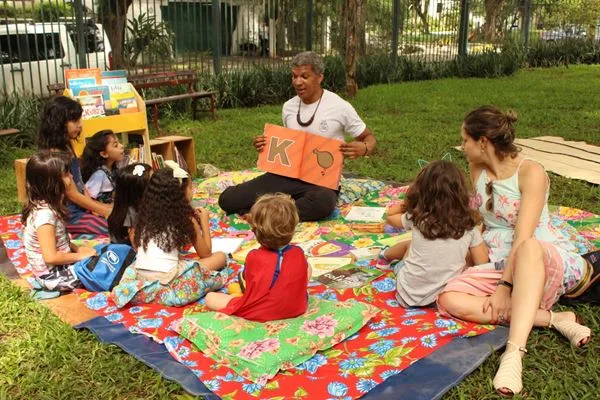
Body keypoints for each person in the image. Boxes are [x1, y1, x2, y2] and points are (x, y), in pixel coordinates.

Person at [437, 106, 592, 396]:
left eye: (465, 140)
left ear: (483, 142)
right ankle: (552, 319)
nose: (462, 146)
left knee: (528, 248)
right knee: (448, 298)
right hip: (497, 256)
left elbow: (523, 236)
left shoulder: (530, 172)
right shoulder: (478, 169)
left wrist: (505, 287)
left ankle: (513, 354)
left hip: (537, 256)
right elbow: (481, 220)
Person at [218, 51, 376, 222]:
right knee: (228, 200)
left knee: (322, 204)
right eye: (294, 76)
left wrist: (365, 148)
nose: (297, 82)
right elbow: (288, 146)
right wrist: (264, 144)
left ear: (319, 77)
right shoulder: (289, 107)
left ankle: (268, 212)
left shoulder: (340, 107)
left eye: (304, 76)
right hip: (286, 176)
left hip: (321, 181)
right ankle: (281, 210)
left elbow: (369, 138)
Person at [111, 162, 227, 307]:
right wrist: (204, 221)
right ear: (180, 194)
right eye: (190, 187)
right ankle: (166, 291)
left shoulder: (144, 213)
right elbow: (205, 253)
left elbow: (136, 243)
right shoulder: (186, 218)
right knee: (221, 257)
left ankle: (149, 290)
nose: (193, 190)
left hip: (140, 273)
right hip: (169, 277)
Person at [377, 160, 489, 307]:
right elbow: (482, 263)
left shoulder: (417, 218)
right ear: (461, 192)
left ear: (421, 191)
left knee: (409, 246)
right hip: (441, 298)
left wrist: (408, 203)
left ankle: (385, 256)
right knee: (465, 258)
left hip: (407, 293)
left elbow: (390, 216)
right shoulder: (469, 226)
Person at [205, 193, 310, 322]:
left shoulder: (255, 257)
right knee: (307, 267)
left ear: (255, 231)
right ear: (293, 227)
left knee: (210, 297)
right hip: (296, 308)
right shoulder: (299, 253)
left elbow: (250, 286)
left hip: (262, 311)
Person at [22, 151, 96, 292]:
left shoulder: (50, 206)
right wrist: (80, 256)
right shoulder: (45, 216)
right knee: (99, 270)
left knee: (100, 254)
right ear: (52, 183)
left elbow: (59, 241)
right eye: (67, 174)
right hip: (50, 276)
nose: (72, 176)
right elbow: (50, 257)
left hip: (61, 264)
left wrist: (78, 249)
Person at [37, 96, 112, 235]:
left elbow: (79, 183)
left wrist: (96, 208)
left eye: (80, 119)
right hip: (67, 216)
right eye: (75, 121)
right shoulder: (54, 156)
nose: (80, 125)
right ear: (59, 123)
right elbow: (71, 195)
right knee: (114, 228)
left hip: (79, 208)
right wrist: (105, 210)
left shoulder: (66, 145)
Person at [107, 163, 152, 245]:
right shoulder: (131, 211)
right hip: (126, 250)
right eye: (152, 183)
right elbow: (134, 239)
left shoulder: (138, 206)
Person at [81, 130, 125, 203]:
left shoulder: (114, 169)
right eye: (115, 145)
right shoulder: (99, 174)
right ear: (104, 154)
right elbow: (89, 200)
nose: (122, 146)